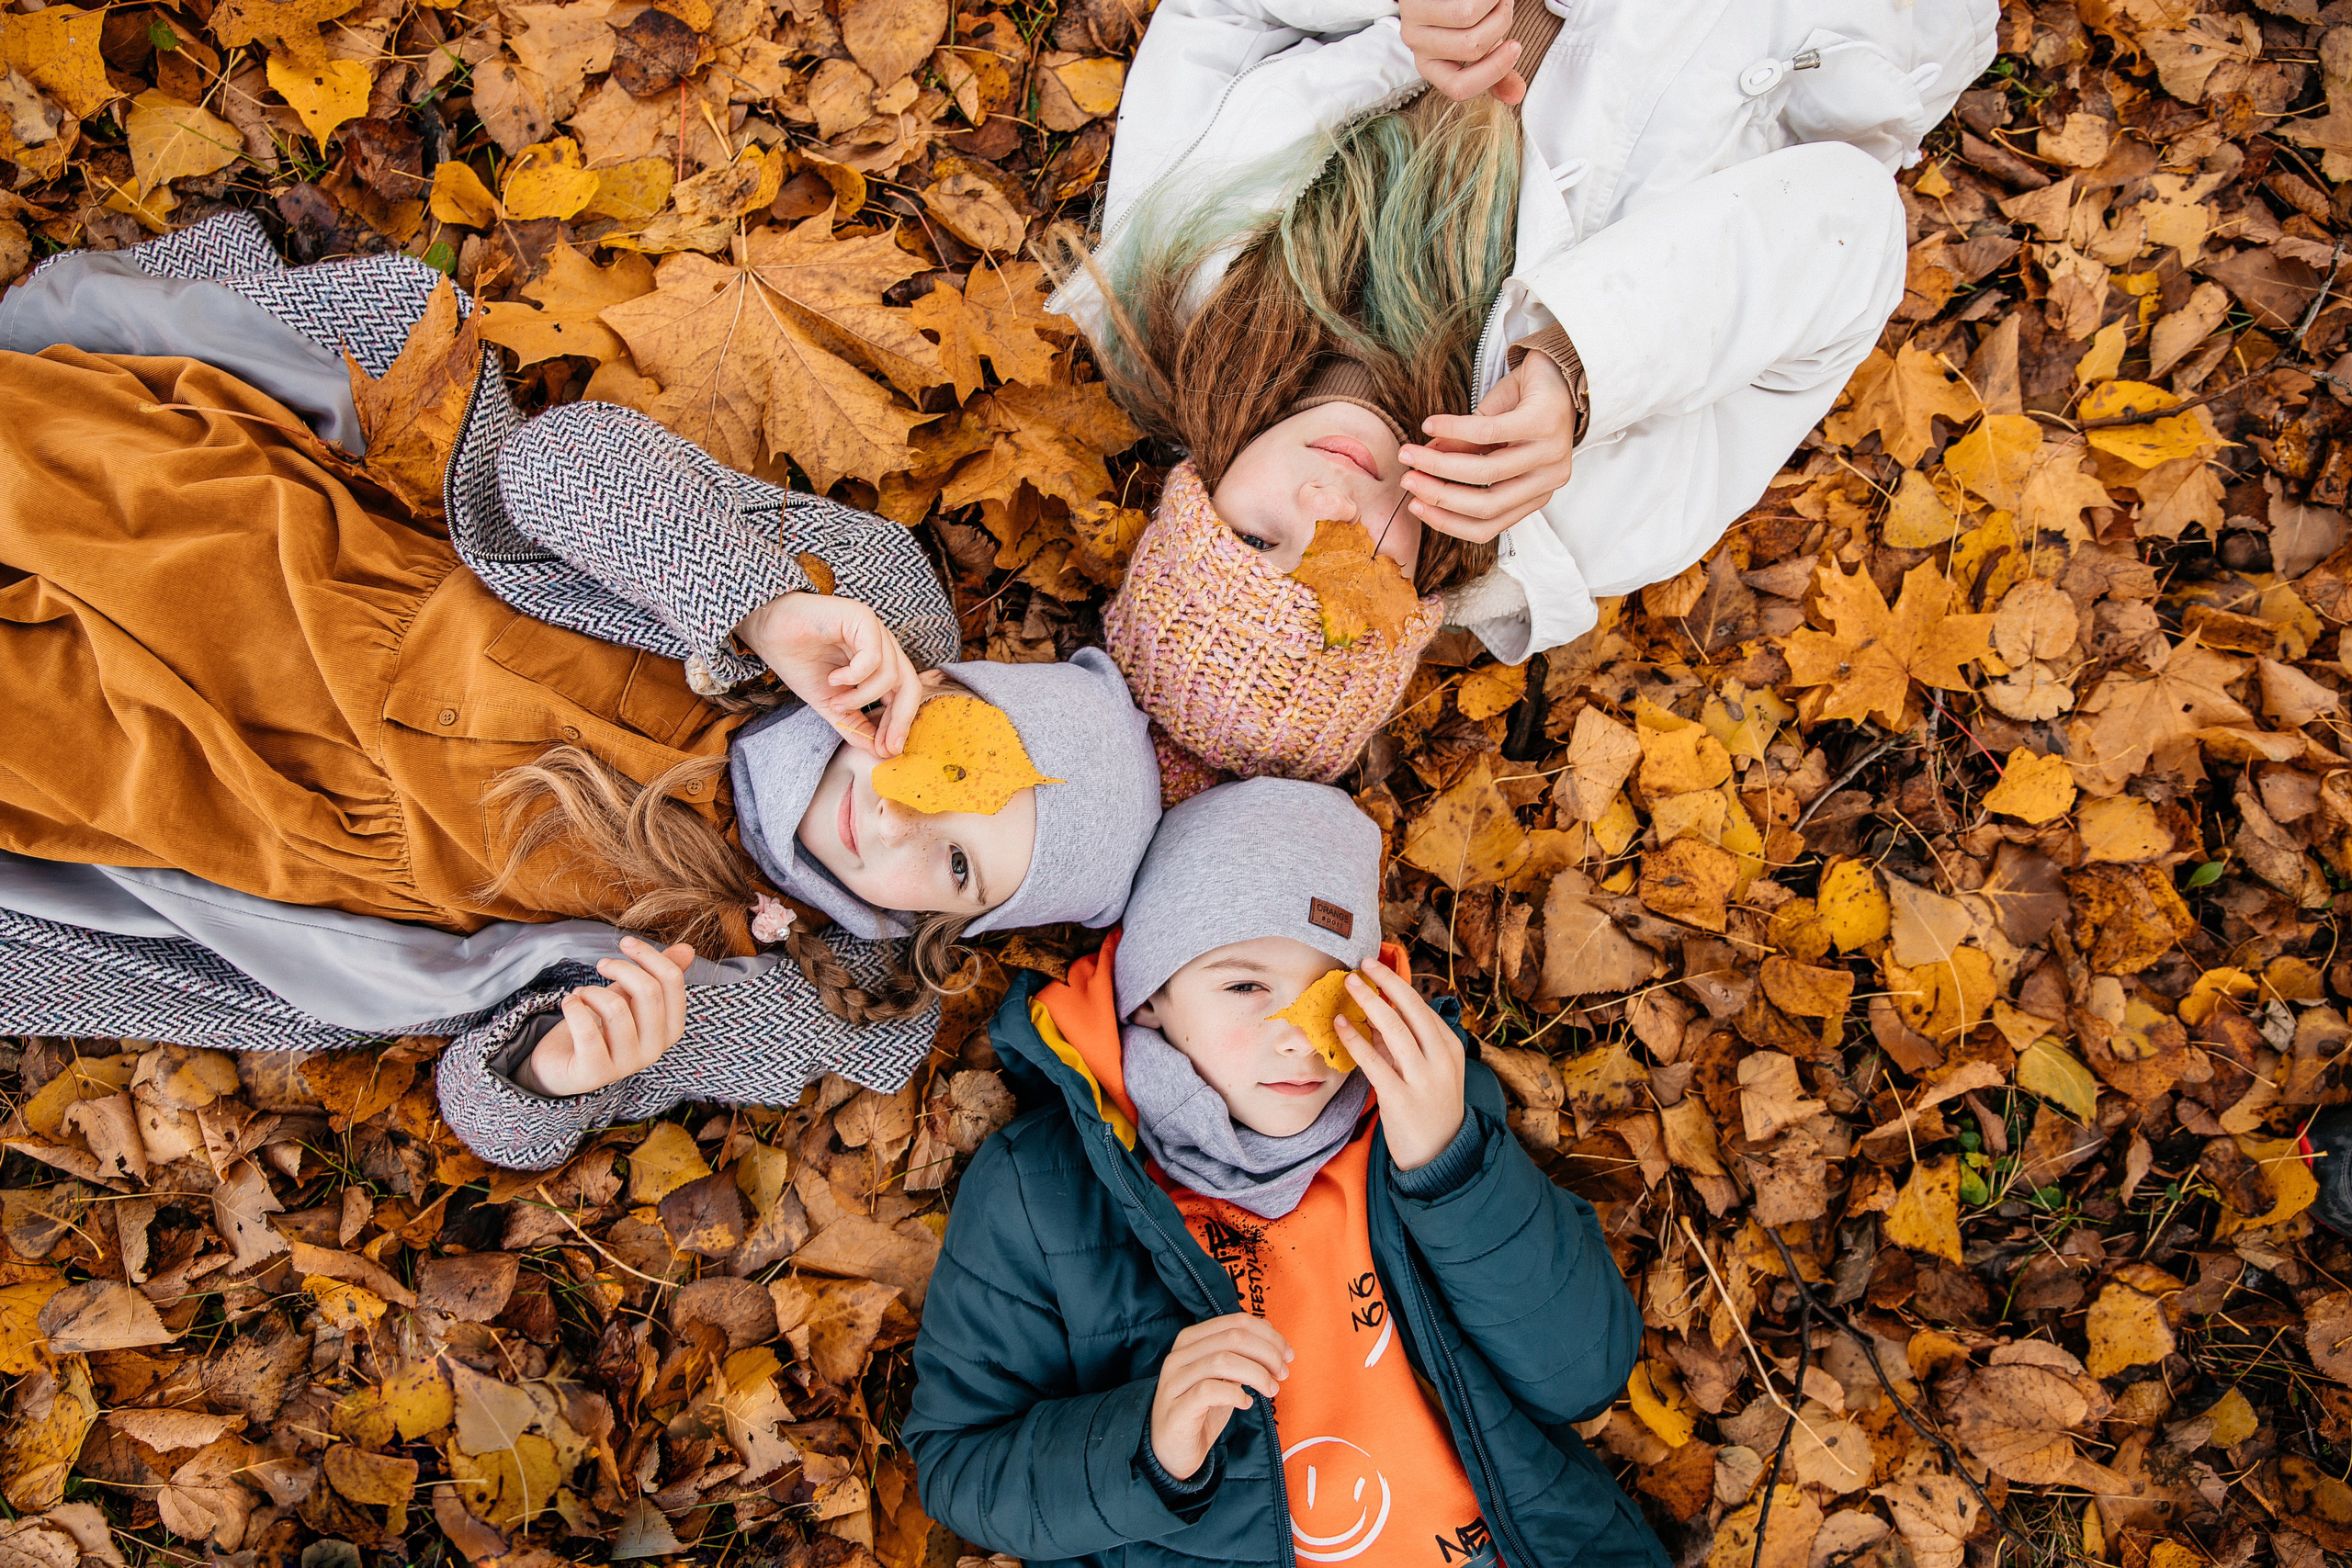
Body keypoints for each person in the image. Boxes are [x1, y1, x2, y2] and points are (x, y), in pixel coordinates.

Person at [0, 213, 1161, 1170]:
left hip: (256, 814)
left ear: (948, 928)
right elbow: (554, 468)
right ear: (943, 685)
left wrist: (564, 1070)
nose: (905, 821)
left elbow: (482, 1103)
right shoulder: (865, 614)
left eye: (958, 868)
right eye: (955, 760)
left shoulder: (806, 999)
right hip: (291, 574)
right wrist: (755, 603)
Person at [1053, 0, 1996, 782]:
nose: (1325, 507)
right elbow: (1851, 217)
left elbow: (1220, 14)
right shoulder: (1593, 524)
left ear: (1196, 494)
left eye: (1256, 539)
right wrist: (1588, 366)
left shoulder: (1165, 291)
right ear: (1416, 606)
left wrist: (1394, 16)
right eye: (1351, 578)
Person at [906, 778, 1657, 1568]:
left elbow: (1586, 1374)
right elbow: (959, 1465)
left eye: (1328, 990)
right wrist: (1147, 1444)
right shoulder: (1040, 1189)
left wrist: (1454, 1168)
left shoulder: (1425, 1122)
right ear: (1151, 996)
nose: (1302, 1037)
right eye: (1244, 985)